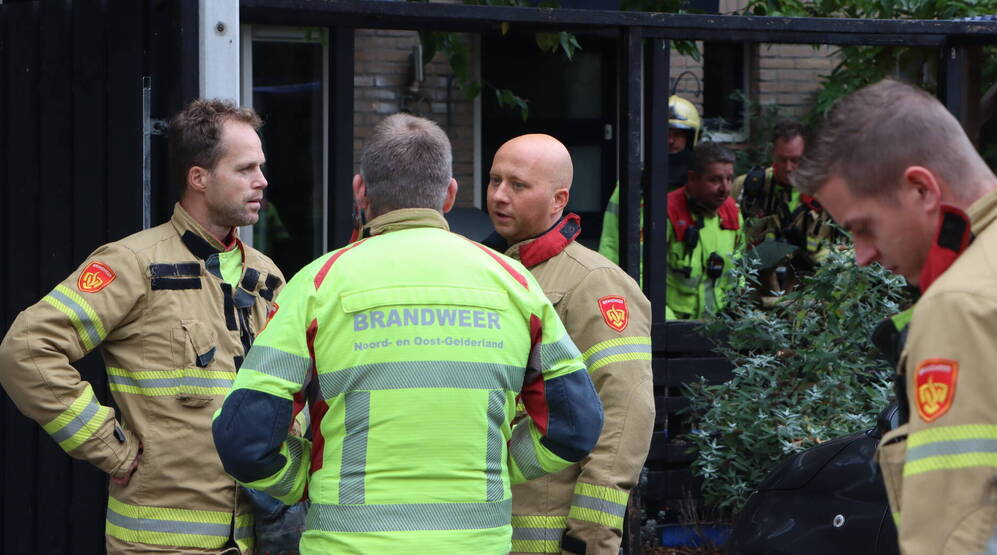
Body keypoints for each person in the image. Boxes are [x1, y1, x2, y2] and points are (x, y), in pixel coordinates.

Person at [212, 113, 603, 555]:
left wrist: (304, 478)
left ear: (360, 189)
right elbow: (574, 427)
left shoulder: (317, 284)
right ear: (451, 194)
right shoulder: (515, 284)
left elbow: (243, 439)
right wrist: (500, 465)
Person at [0, 99, 285, 554]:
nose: (262, 181)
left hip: (256, 540)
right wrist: (112, 447)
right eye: (245, 168)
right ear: (199, 177)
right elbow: (29, 350)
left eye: (261, 167)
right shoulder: (133, 263)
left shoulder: (267, 276)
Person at [793, 79, 997, 554]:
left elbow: (962, 528)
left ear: (921, 188)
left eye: (862, 228)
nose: (861, 255)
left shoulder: (963, 303)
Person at [484, 134, 655, 555]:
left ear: (559, 199)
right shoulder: (489, 272)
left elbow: (624, 414)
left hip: (547, 538)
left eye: (518, 185)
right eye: (494, 180)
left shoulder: (594, 283)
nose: (499, 196)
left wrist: (590, 539)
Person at [733, 121, 844, 296]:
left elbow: (849, 247)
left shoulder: (826, 192)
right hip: (752, 289)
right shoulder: (748, 187)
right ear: (772, 155)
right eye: (782, 160)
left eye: (795, 160)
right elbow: (729, 241)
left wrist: (815, 256)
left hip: (810, 292)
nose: (788, 168)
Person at [598, 94, 701, 264]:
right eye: (666, 133)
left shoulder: (699, 188)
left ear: (690, 139)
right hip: (636, 286)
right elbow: (610, 241)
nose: (670, 140)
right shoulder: (631, 184)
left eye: (678, 134)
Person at [666, 142, 744, 319]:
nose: (725, 189)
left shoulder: (732, 213)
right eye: (715, 180)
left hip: (718, 327)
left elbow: (740, 271)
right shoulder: (667, 211)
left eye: (729, 179)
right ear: (692, 178)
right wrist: (666, 327)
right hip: (673, 327)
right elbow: (640, 275)